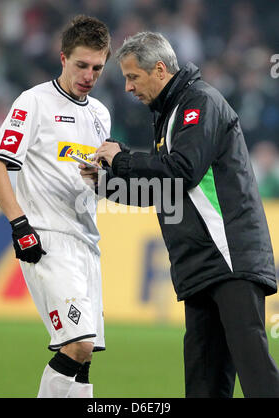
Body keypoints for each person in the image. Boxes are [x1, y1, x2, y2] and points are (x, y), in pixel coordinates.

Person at [81, 32, 279, 398]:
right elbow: (165, 191)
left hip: (229, 257)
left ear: (159, 69)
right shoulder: (170, 115)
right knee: (204, 384)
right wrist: (105, 183)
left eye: (132, 77)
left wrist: (121, 158)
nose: (126, 87)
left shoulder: (199, 102)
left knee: (256, 373)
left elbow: (182, 169)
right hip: (200, 266)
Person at [0, 15, 111, 398]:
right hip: (47, 238)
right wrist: (20, 225)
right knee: (78, 345)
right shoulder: (34, 102)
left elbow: (94, 183)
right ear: (62, 58)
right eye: (81, 65)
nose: (88, 75)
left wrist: (104, 180)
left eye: (97, 68)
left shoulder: (100, 114)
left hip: (87, 242)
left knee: (85, 361)